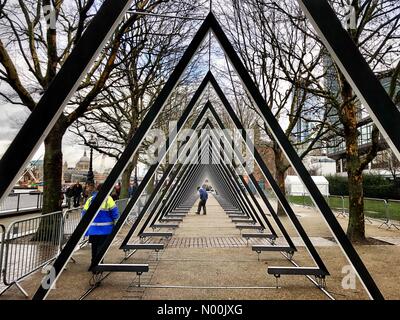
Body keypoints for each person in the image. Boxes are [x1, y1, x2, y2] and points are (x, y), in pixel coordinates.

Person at [81, 183, 119, 270]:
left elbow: (84, 213)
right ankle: (99, 265)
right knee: (101, 247)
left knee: (94, 247)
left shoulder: (90, 199)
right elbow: (115, 213)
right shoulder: (108, 199)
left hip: (93, 229)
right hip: (106, 229)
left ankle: (93, 264)